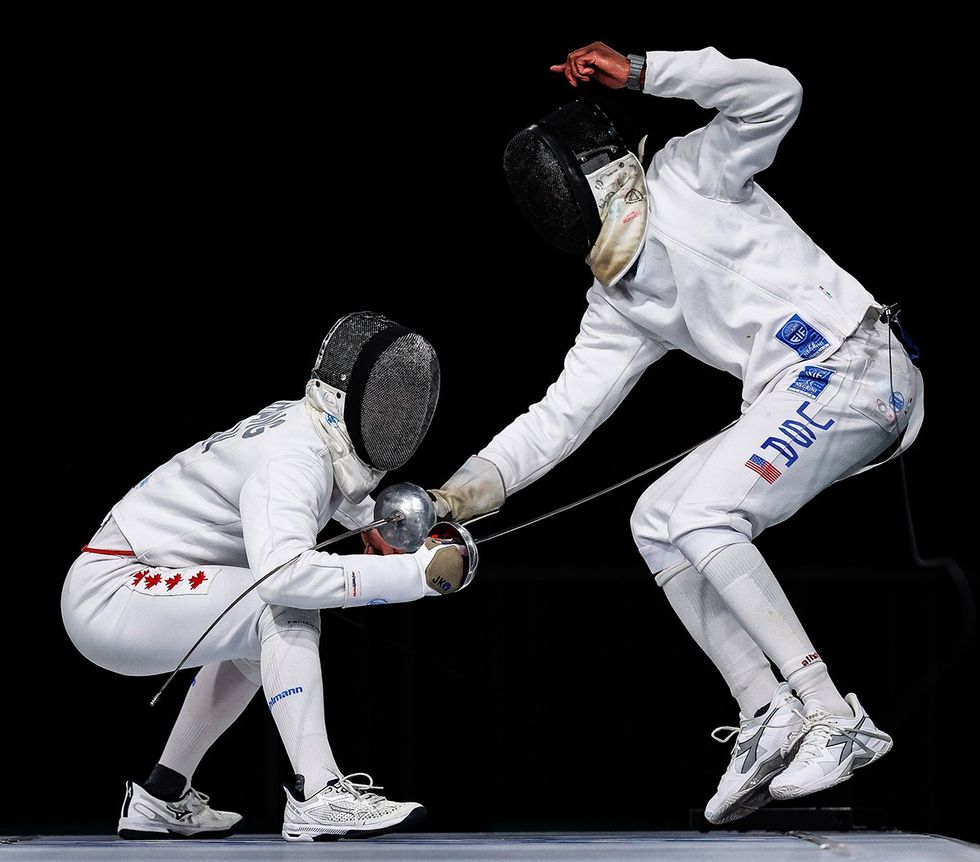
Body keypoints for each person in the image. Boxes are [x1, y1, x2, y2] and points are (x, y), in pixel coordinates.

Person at [431, 44, 923, 824]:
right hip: (798, 395)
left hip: (858, 366)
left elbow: (776, 93)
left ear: (602, 172)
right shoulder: (618, 301)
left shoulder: (692, 172)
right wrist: (453, 494)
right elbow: (560, 418)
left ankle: (837, 716)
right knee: (656, 521)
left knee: (702, 515)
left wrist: (645, 71)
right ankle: (768, 712)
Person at [61, 312, 469, 842]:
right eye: (386, 402)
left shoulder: (303, 426)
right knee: (281, 603)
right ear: (353, 400)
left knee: (260, 638)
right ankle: (318, 795)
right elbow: (284, 576)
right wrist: (413, 574)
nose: (397, 416)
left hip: (127, 585)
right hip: (113, 592)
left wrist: (371, 520)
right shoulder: (293, 458)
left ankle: (160, 796)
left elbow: (316, 490)